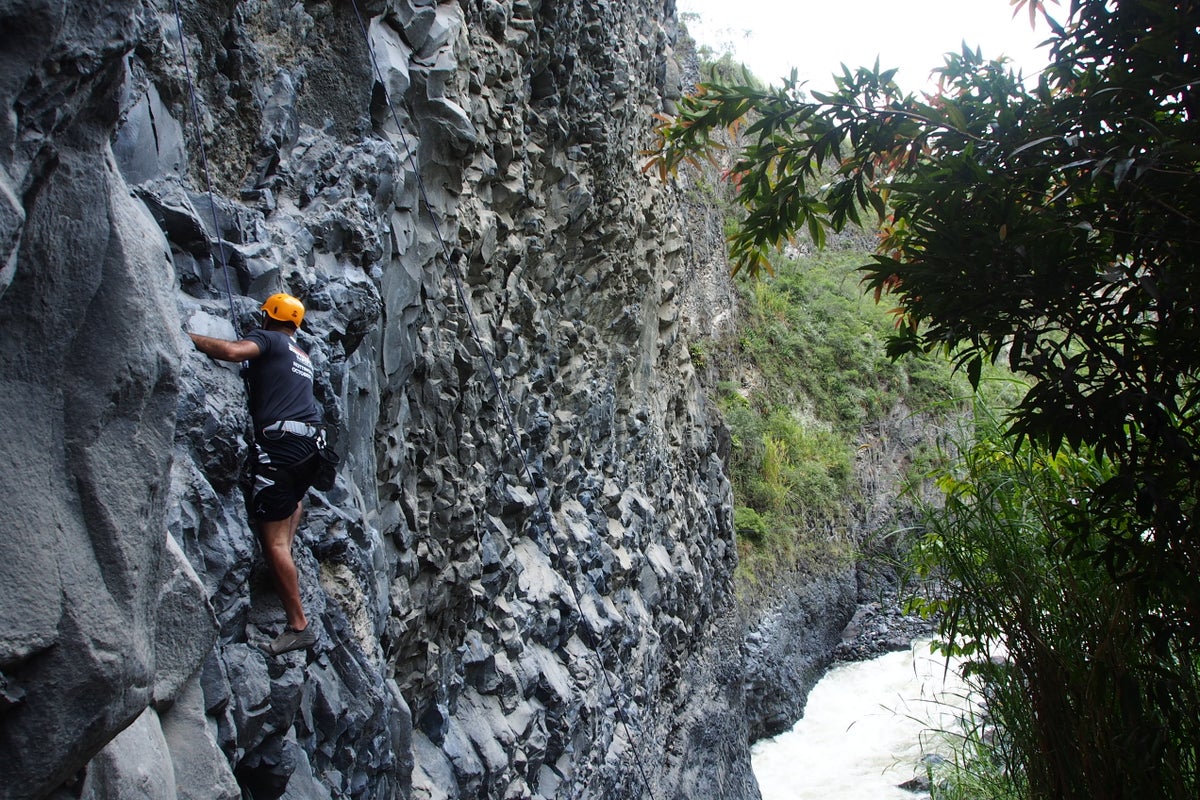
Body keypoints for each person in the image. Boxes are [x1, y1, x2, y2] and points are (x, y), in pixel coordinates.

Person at [189, 292, 322, 656]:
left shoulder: (270, 338)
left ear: (269, 317)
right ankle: (286, 563)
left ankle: (299, 625)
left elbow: (234, 352)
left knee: (274, 543)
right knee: (292, 502)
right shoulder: (302, 355)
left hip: (280, 446)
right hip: (310, 447)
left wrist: (190, 339)